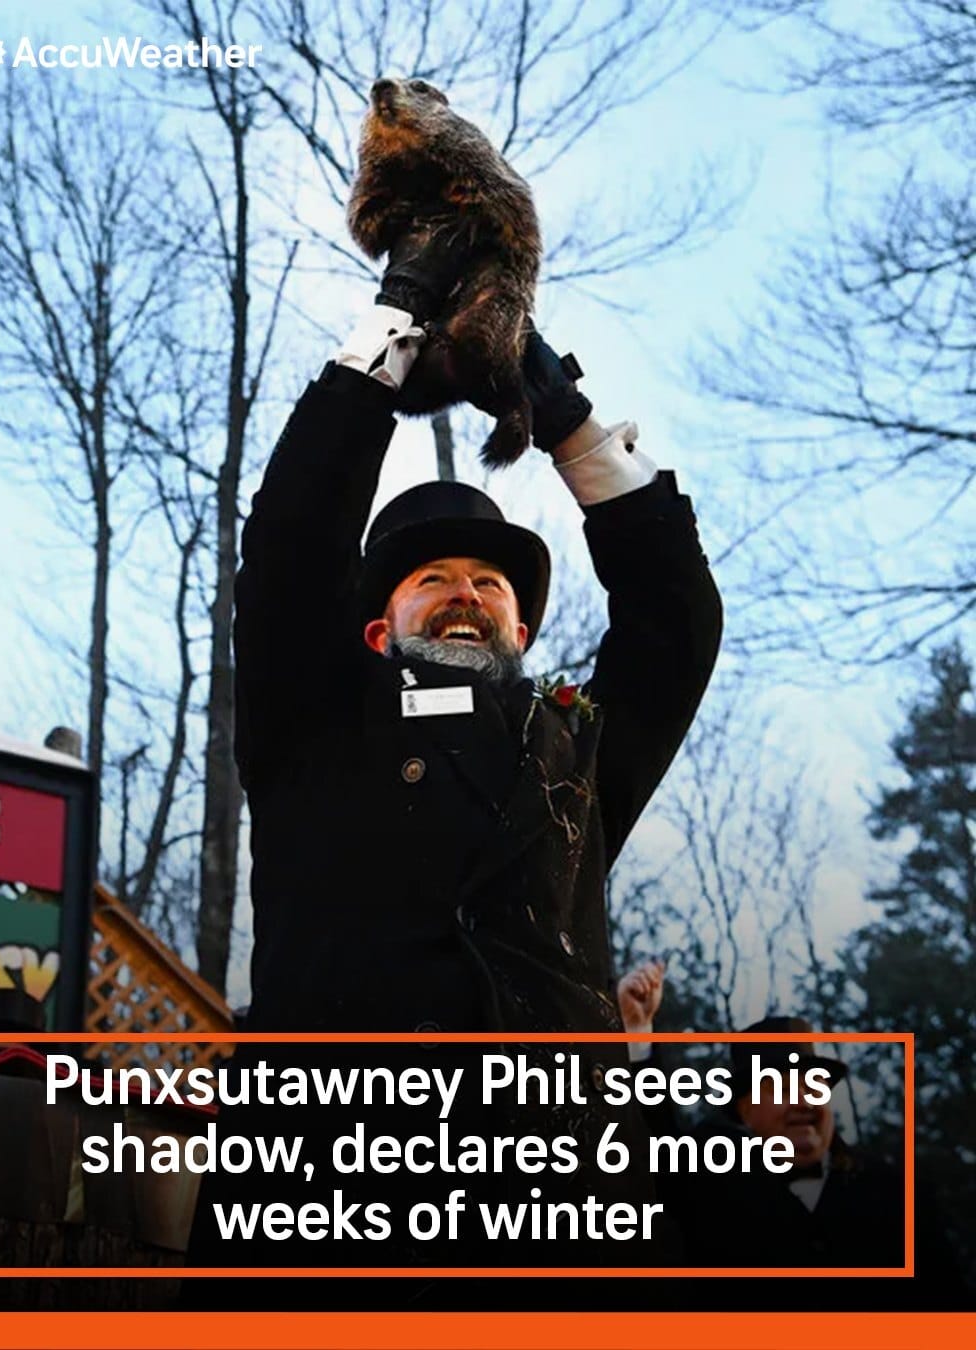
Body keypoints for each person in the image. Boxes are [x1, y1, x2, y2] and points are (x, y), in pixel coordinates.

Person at [187, 226, 722, 1280]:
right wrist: (391, 330)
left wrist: (567, 422)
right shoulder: (312, 720)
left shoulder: (576, 753)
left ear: (522, 630)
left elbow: (677, 620)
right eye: (431, 578)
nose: (466, 592)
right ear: (375, 628)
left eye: (491, 582)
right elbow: (291, 549)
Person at [616, 963, 967, 1303]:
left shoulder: (896, 1193)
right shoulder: (712, 1186)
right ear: (745, 1110)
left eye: (814, 1086)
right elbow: (654, 1138)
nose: (803, 1101)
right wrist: (637, 1032)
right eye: (781, 1088)